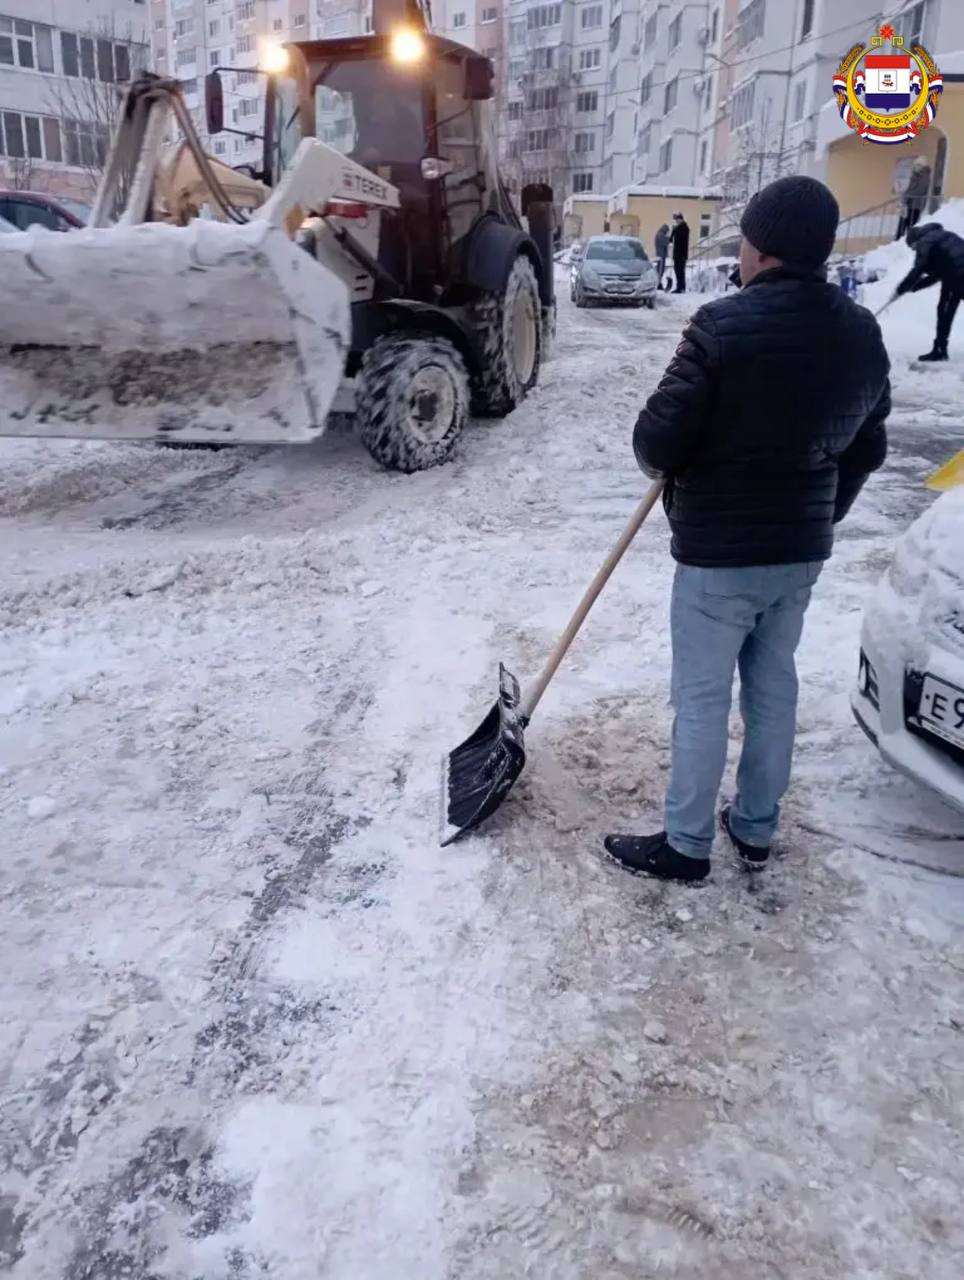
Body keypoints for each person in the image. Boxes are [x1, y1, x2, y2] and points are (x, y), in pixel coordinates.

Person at [604, 176, 890, 883]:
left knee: (702, 699)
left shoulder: (719, 326)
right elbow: (869, 445)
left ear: (759, 247)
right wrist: (825, 510)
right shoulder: (861, 334)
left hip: (718, 561)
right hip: (797, 556)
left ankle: (686, 844)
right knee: (773, 687)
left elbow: (654, 443)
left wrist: (683, 456)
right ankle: (755, 828)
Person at [894, 221, 964, 362]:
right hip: (953, 273)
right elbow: (936, 274)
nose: (914, 250)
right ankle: (939, 348)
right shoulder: (940, 236)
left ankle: (940, 350)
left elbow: (918, 269)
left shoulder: (925, 241)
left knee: (944, 311)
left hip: (957, 274)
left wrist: (901, 289)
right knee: (944, 309)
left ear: (915, 241)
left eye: (913, 247)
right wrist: (913, 287)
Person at [896, 155, 932, 240]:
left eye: (918, 165)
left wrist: (906, 196)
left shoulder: (923, 176)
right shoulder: (917, 175)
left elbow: (918, 190)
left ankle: (907, 243)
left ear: (922, 166)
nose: (916, 167)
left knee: (909, 226)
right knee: (903, 225)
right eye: (915, 165)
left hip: (914, 204)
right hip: (909, 204)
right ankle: (899, 243)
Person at [669, 211, 690, 293]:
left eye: (677, 219)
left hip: (681, 254)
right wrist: (674, 232)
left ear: (681, 219)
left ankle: (680, 287)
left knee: (680, 271)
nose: (676, 221)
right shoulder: (680, 227)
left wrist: (675, 231)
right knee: (678, 270)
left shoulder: (684, 228)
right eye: (676, 220)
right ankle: (681, 287)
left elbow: (681, 240)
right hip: (678, 253)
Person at [654, 223, 670, 292]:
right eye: (667, 231)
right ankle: (658, 284)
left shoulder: (660, 234)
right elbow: (665, 242)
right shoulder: (660, 235)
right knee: (660, 270)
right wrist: (670, 238)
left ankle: (659, 283)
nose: (667, 232)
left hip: (661, 255)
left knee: (661, 270)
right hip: (661, 255)